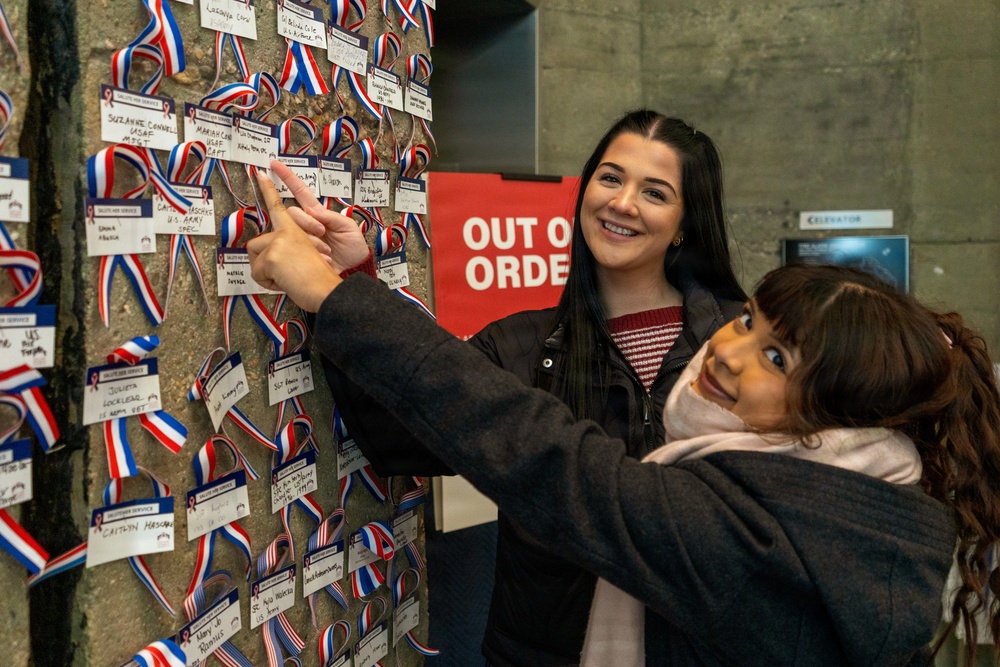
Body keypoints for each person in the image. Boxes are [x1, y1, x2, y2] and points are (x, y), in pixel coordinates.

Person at [248, 196, 1000, 664]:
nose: (729, 353)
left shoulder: (765, 535)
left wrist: (338, 298)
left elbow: (546, 455)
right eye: (749, 323)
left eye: (775, 356)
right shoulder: (869, 505)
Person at [256, 108, 748, 665]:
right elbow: (400, 433)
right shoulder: (521, 344)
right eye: (610, 178)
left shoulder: (740, 346)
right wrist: (346, 284)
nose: (623, 203)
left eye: (655, 192)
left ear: (685, 221)